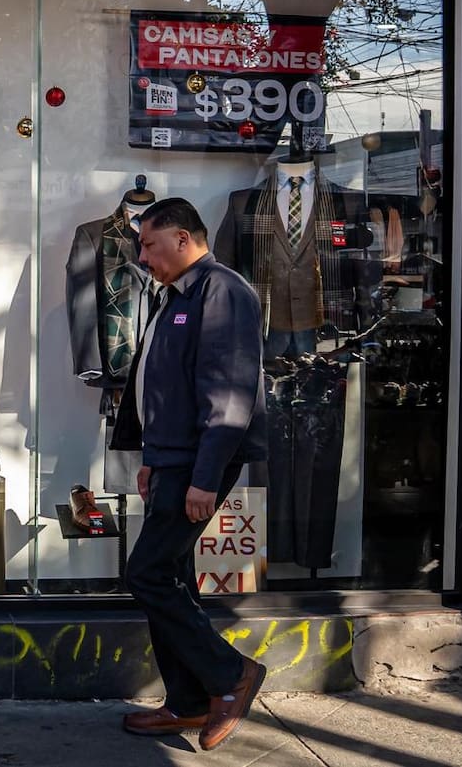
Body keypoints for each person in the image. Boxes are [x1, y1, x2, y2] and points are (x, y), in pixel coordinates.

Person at [109, 197, 268, 751]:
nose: (144, 257)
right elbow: (162, 386)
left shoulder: (221, 290)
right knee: (166, 575)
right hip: (172, 459)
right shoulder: (174, 294)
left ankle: (231, 676)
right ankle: (187, 701)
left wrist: (204, 477)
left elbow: (229, 394)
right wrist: (151, 457)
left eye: (150, 245)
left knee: (147, 573)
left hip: (197, 464)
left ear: (181, 238)